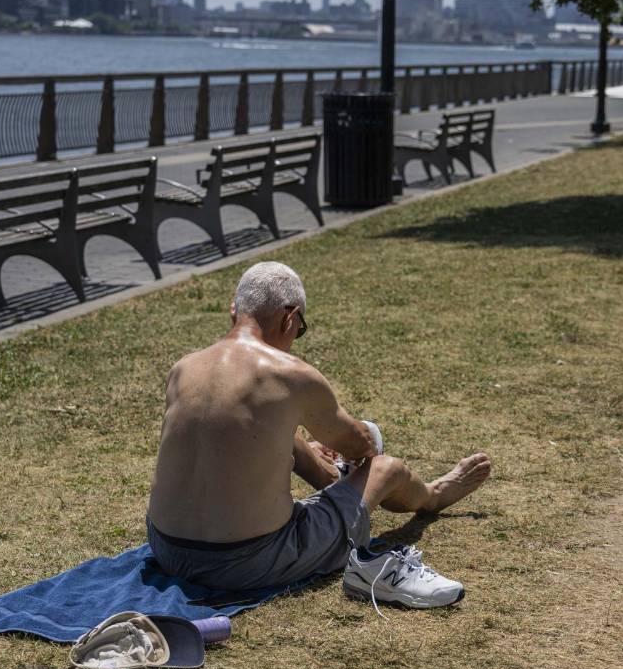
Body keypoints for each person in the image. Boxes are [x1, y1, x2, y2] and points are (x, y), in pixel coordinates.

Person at [146, 261, 492, 609]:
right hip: (245, 564)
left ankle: (333, 481)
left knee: (289, 439)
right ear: (290, 318)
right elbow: (362, 446)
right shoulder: (291, 375)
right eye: (300, 330)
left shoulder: (184, 367)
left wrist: (295, 443)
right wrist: (357, 443)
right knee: (387, 469)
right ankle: (432, 496)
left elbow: (227, 438)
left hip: (167, 549)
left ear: (234, 310)